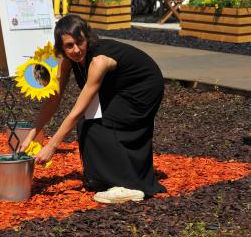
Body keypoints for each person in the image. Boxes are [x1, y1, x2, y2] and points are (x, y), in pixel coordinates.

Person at [20, 15, 166, 204]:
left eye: (80, 42)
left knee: (107, 124)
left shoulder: (99, 61)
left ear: (87, 38)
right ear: (61, 47)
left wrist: (52, 146)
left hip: (143, 86)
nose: (76, 50)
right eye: (69, 45)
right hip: (119, 86)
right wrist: (32, 134)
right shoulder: (67, 61)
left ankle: (129, 186)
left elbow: (79, 109)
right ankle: (106, 179)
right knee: (89, 124)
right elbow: (54, 100)